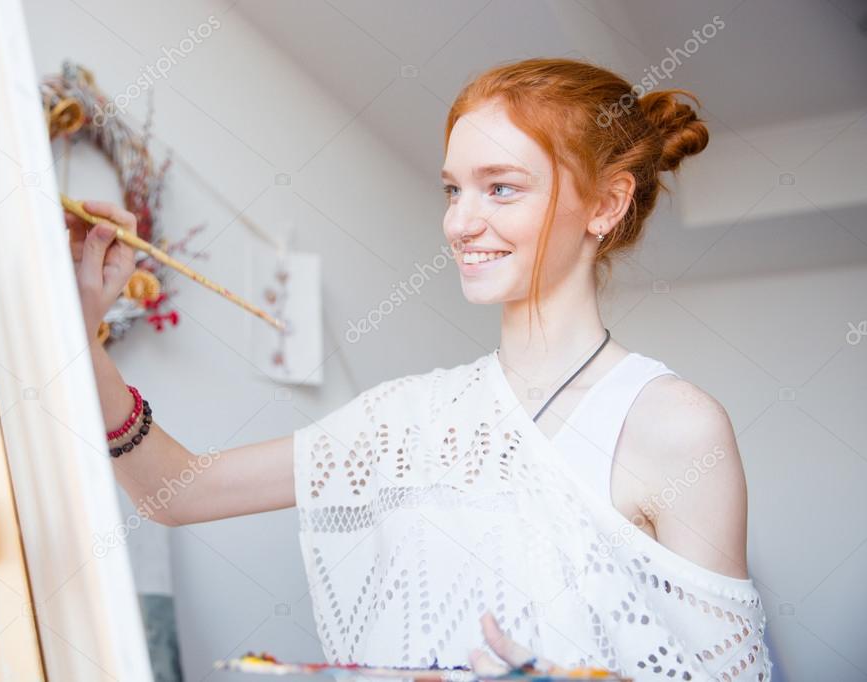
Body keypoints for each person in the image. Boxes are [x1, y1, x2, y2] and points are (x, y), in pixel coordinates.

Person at [65, 57, 771, 681]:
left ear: (605, 203)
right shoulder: (404, 418)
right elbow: (176, 494)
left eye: (499, 188)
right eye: (451, 189)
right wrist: (80, 329)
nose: (460, 223)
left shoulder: (675, 426)